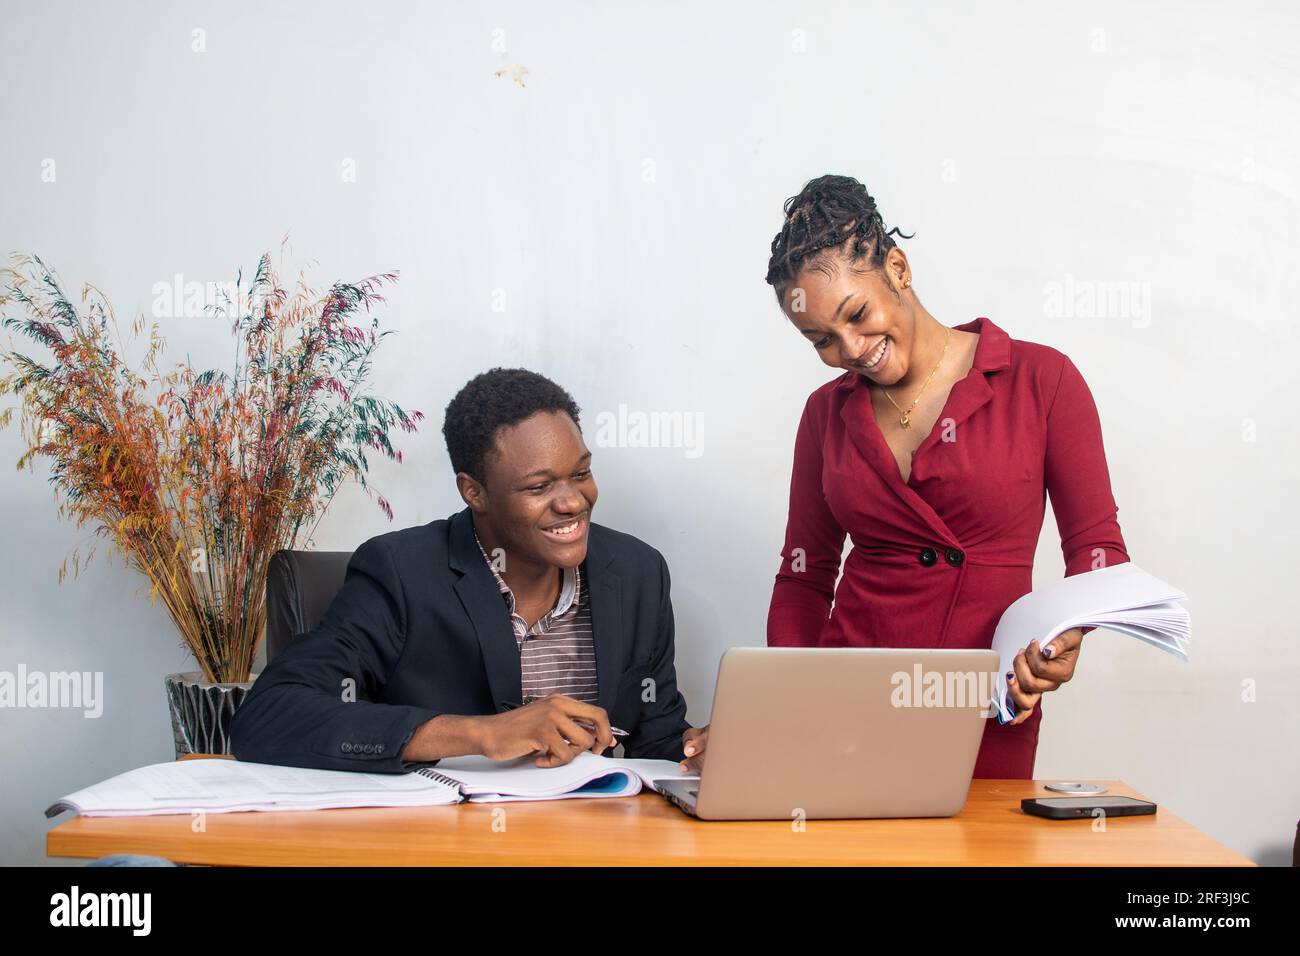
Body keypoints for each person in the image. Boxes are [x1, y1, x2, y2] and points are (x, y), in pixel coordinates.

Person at [759, 174, 1129, 778]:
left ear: (898, 268)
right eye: (822, 340)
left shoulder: (1042, 380)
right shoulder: (824, 415)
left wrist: (1065, 636)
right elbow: (804, 577)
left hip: (983, 700)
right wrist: (794, 698)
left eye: (858, 314)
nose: (851, 349)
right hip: (847, 704)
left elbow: (1097, 551)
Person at [231, 368, 706, 772]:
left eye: (580, 474)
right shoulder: (401, 574)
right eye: (540, 486)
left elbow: (654, 733)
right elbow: (270, 715)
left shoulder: (637, 571)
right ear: (473, 492)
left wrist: (698, 749)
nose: (572, 502)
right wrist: (479, 733)